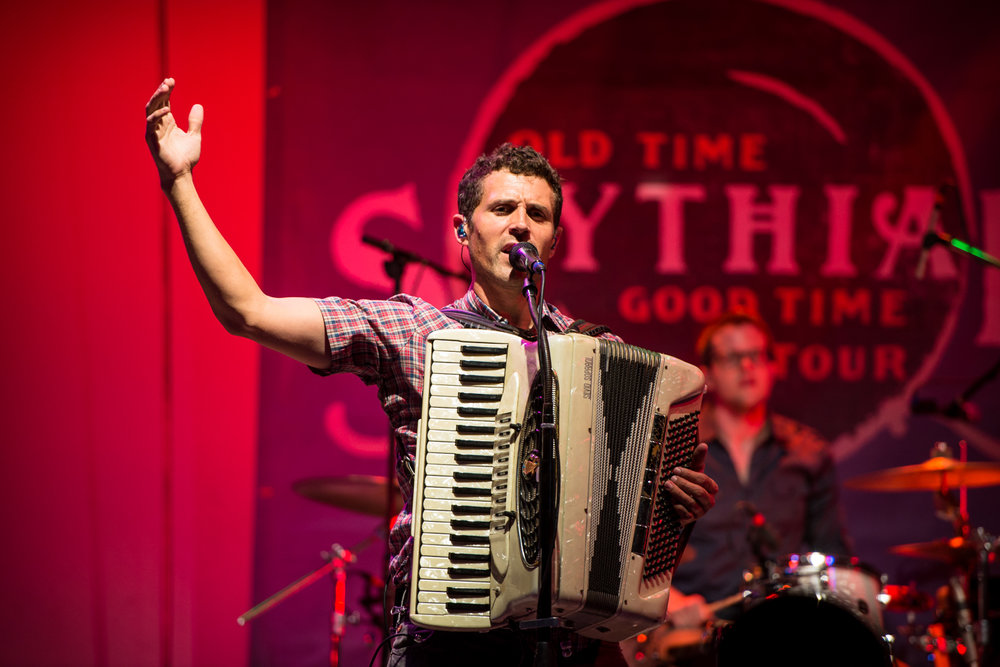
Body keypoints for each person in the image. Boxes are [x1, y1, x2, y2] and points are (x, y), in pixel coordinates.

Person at [145, 78, 718, 666]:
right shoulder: (417, 332)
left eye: (537, 214)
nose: (521, 224)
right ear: (462, 232)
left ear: (554, 239)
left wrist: (675, 514)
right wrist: (181, 182)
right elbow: (249, 312)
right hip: (447, 647)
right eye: (502, 209)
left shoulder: (599, 354)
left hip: (569, 651)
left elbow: (632, 548)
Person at [624, 311, 852, 666]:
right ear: (709, 374)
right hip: (689, 635)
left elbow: (833, 556)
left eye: (757, 356)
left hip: (781, 635)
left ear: (773, 366)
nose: (748, 367)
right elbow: (630, 547)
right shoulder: (676, 447)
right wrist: (669, 600)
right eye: (733, 358)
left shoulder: (808, 452)